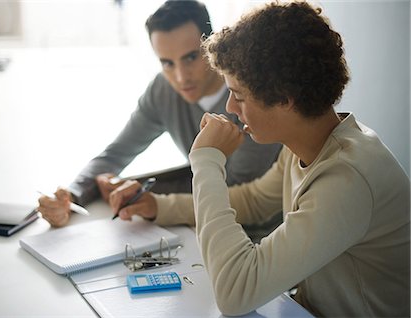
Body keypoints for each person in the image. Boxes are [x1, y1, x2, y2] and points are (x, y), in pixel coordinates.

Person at [111, 1, 410, 317]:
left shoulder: (347, 179)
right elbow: (253, 200)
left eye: (239, 96)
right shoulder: (305, 146)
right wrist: (160, 206)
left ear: (285, 99)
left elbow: (236, 293)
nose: (230, 107)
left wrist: (207, 162)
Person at [37, 0, 282, 227]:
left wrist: (140, 191)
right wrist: (71, 195)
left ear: (212, 45)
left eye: (191, 57)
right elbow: (116, 154)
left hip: (262, 230)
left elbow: (239, 189)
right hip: (199, 221)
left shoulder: (248, 99)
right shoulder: (163, 90)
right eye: (167, 63)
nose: (180, 77)